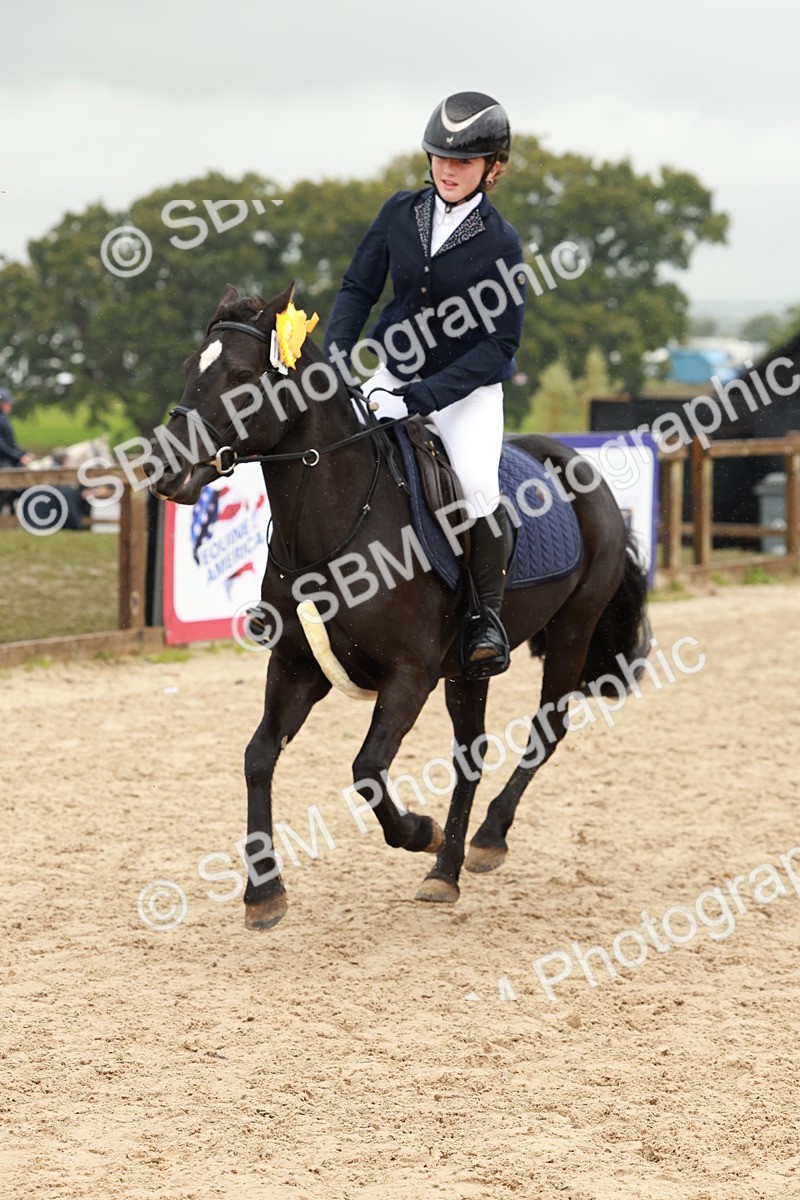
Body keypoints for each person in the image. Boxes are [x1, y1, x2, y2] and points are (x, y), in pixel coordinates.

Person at [324, 91, 526, 677]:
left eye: (462, 161)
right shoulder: (399, 212)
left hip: (465, 391)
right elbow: (357, 289)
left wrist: (418, 399)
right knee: (332, 453)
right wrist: (339, 357)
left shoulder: (500, 243)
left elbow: (499, 345)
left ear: (494, 167)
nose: (446, 169)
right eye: (439, 156)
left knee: (477, 486)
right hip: (391, 371)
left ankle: (486, 618)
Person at [0, 387, 34, 514]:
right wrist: (19, 457)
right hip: (2, 462)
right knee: (10, 482)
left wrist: (23, 454)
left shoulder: (4, 420)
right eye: (8, 403)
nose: (10, 406)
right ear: (2, 404)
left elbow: (11, 445)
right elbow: (2, 447)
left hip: (6, 459)